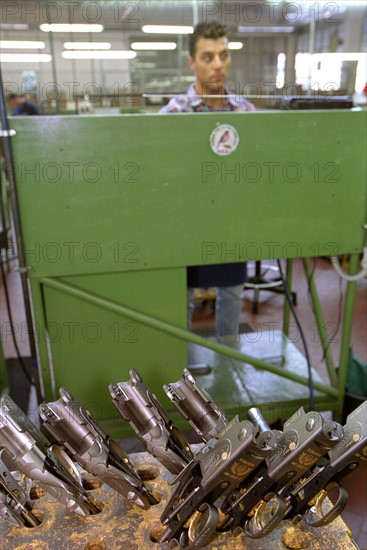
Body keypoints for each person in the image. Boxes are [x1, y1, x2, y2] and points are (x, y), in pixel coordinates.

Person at [160, 21, 255, 343]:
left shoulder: (245, 112)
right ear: (192, 62)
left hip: (232, 223)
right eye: (208, 57)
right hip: (184, 224)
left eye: (223, 56)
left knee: (232, 297)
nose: (218, 65)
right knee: (180, 301)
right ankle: (180, 377)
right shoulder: (173, 115)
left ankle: (230, 363)